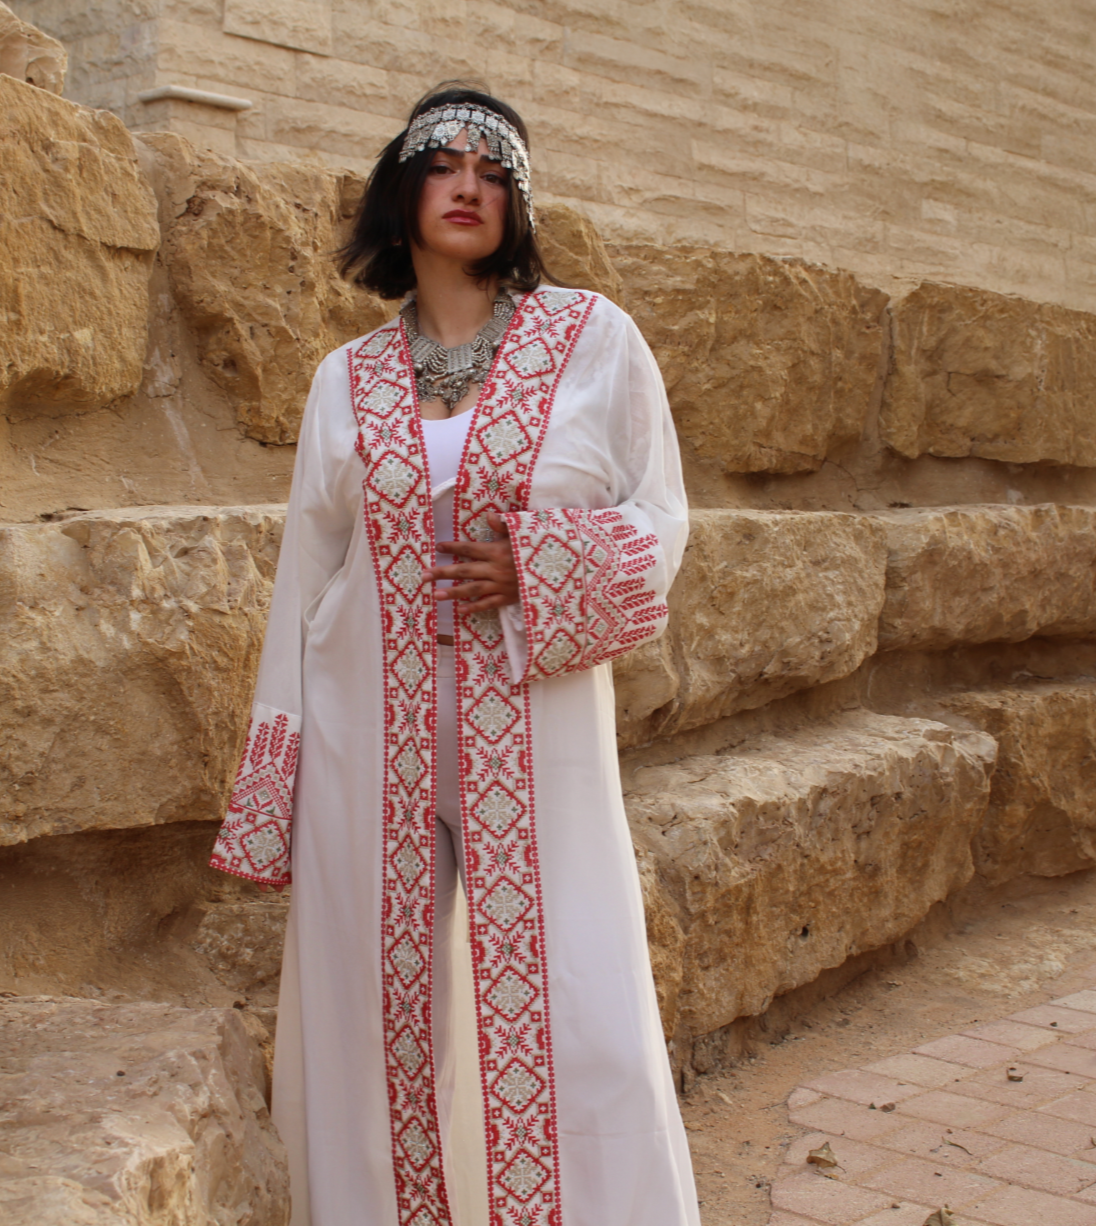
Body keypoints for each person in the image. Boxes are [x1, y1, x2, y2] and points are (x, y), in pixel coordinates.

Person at [210, 82, 700, 1226]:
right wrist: (275, 776)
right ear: (404, 191)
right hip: (362, 737)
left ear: (516, 199)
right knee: (375, 1016)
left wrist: (538, 563)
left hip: (537, 734)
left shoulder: (593, 342)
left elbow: (660, 518)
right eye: (443, 162)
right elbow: (305, 573)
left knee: (579, 1008)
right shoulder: (346, 380)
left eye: (493, 166)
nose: (469, 183)